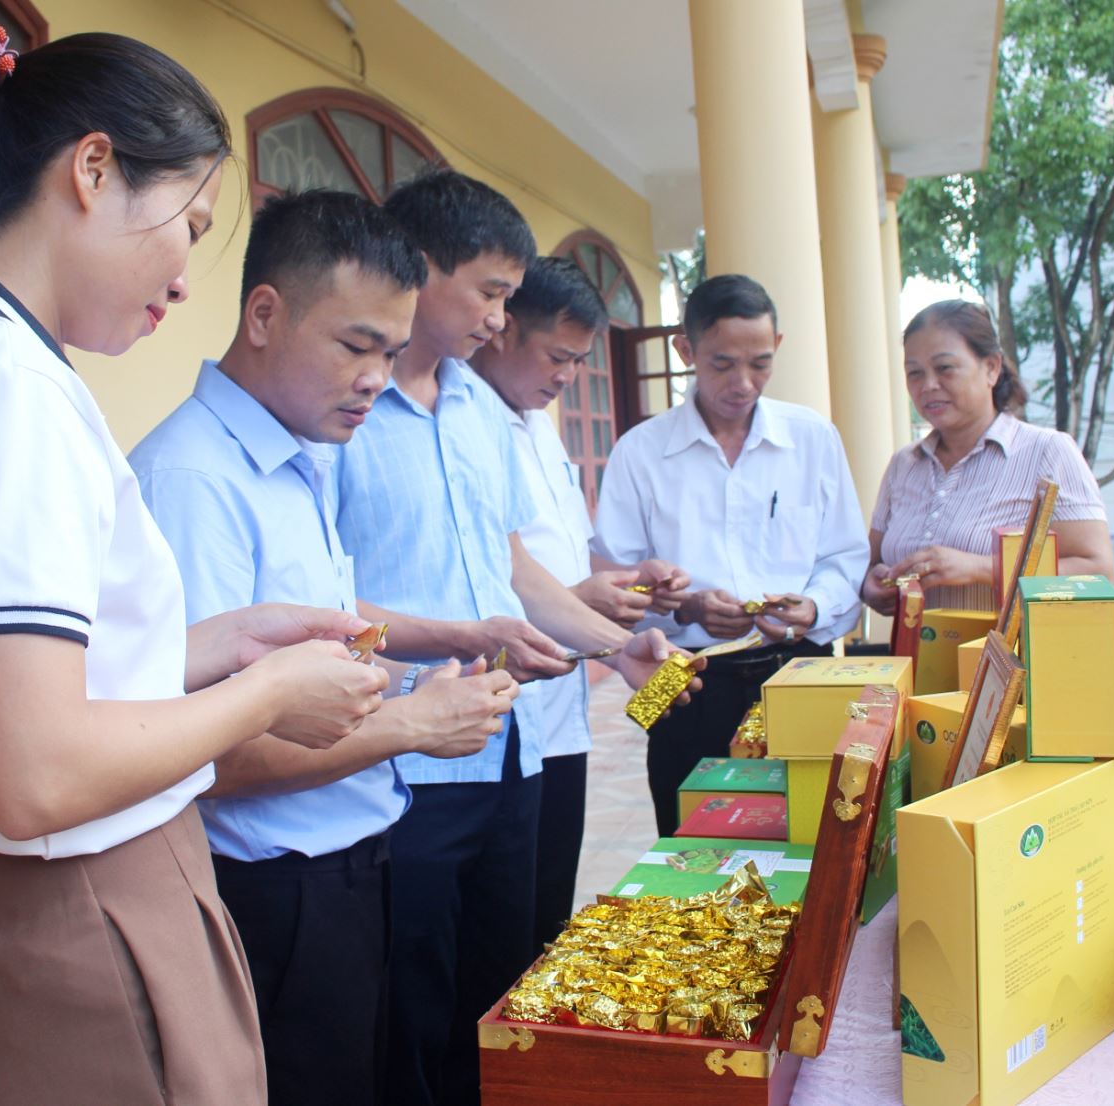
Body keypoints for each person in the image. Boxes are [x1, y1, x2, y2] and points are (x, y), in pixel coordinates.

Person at [0, 33, 387, 1106]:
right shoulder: (0, 386)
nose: (184, 275)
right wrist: (267, 693)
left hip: (20, 915)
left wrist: (223, 643)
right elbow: (38, 771)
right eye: (190, 227)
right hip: (80, 915)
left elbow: (30, 678)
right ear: (94, 169)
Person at [130, 190, 519, 1106]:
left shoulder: (301, 460)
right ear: (264, 313)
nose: (376, 379)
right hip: (276, 891)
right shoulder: (193, 480)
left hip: (357, 861)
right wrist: (413, 725)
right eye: (354, 346)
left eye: (391, 351)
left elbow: (314, 662)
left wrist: (400, 672)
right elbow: (211, 754)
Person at [334, 169, 693, 1106]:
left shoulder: (479, 415)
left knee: (507, 992)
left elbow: (515, 573)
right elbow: (324, 603)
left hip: (513, 751)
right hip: (405, 765)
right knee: (412, 1005)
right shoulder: (344, 417)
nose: (500, 318)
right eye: (490, 292)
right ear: (420, 269)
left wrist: (619, 648)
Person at [594, 273, 870, 837]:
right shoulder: (640, 452)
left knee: (815, 846)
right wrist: (685, 607)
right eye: (722, 364)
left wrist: (813, 607)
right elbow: (611, 588)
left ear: (778, 348)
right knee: (691, 853)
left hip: (800, 670)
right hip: (684, 681)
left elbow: (846, 556)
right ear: (686, 350)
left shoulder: (812, 438)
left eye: (760, 363)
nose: (744, 383)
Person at [469, 255, 689, 950]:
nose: (567, 376)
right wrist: (588, 606)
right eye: (558, 356)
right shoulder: (467, 424)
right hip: (505, 702)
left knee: (549, 908)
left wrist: (622, 582)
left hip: (580, 693)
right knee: (503, 925)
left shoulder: (537, 423)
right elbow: (496, 577)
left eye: (579, 361)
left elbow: (564, 554)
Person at [860, 300, 1114, 617]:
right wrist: (871, 585)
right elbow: (869, 564)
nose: (928, 386)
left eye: (944, 368)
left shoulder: (1047, 452)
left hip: (1011, 662)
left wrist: (981, 568)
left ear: (991, 368)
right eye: (914, 373)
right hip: (917, 662)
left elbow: (1097, 572)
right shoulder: (904, 465)